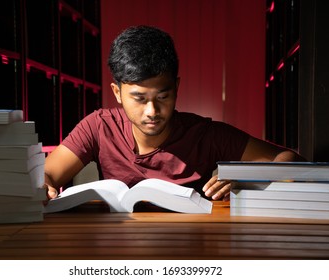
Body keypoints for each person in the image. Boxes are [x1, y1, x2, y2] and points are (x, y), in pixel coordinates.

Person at [44, 25, 304, 203]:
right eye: (139, 98)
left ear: (176, 88)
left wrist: (246, 179)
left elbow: (290, 159)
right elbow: (48, 174)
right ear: (117, 92)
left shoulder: (205, 135)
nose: (152, 111)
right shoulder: (99, 127)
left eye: (163, 97)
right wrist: (44, 185)